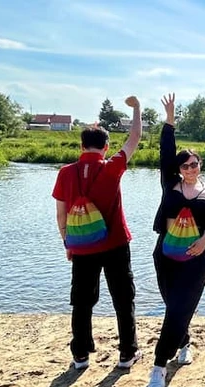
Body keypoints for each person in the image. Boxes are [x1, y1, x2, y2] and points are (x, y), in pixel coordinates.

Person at [52, 95, 142, 370]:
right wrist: (137, 108)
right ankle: (127, 354)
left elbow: (61, 214)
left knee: (82, 301)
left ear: (81, 145)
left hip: (82, 247)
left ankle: (80, 355)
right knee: (123, 299)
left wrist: (68, 242)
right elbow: (135, 138)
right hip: (114, 243)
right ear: (106, 147)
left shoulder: (65, 173)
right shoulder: (112, 167)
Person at [146, 94, 205, 387]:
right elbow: (166, 152)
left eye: (194, 164)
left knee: (179, 305)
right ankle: (185, 340)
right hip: (166, 255)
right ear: (178, 169)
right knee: (172, 305)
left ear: (200, 165)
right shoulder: (170, 183)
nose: (190, 168)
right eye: (185, 165)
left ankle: (158, 366)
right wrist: (170, 120)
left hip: (198, 258)